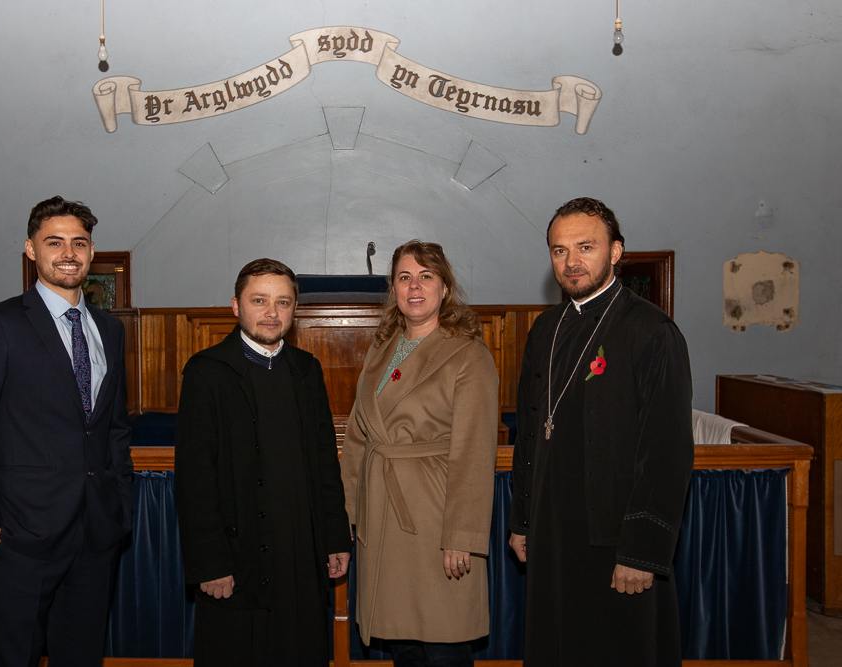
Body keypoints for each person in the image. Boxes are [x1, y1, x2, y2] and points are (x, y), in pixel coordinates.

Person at [0, 196, 133, 667]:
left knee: (82, 657)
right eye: (55, 242)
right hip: (21, 539)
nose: (69, 252)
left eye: (79, 243)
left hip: (96, 534)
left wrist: (119, 505)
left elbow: (113, 431)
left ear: (91, 252)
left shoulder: (110, 329)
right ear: (30, 249)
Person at [508, 197, 694, 666]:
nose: (571, 262)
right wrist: (523, 521)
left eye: (585, 246)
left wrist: (642, 553)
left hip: (615, 542)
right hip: (552, 536)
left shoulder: (652, 331)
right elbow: (530, 431)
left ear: (615, 252)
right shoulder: (544, 330)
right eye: (558, 250)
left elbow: (667, 451)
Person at [173, 258, 352, 666]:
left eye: (283, 303)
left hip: (300, 558)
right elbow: (194, 479)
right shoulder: (207, 373)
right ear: (236, 306)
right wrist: (210, 562)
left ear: (294, 310)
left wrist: (335, 536)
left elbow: (325, 462)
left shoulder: (307, 370)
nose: (272, 313)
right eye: (259, 300)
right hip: (236, 559)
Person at [340, 240, 500, 667]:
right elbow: (359, 435)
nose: (415, 287)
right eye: (404, 277)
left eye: (426, 276)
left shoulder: (469, 354)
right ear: (392, 288)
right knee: (404, 647)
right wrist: (345, 516)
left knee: (443, 643)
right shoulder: (382, 346)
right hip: (384, 517)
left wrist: (461, 537)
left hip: (435, 519)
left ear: (445, 287)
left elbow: (475, 455)